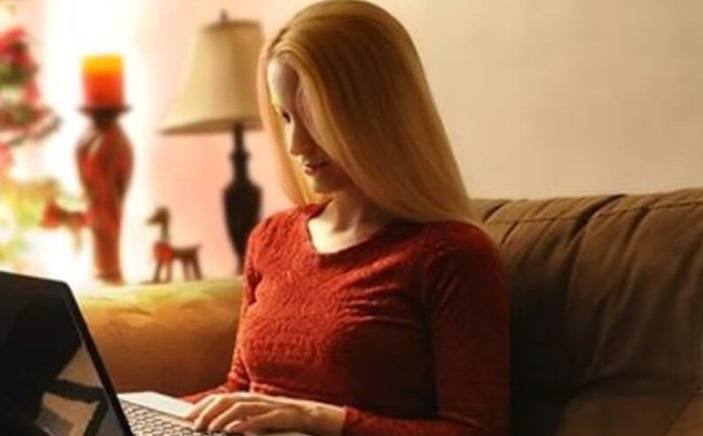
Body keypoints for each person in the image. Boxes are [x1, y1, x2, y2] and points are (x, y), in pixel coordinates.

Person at [181, 1, 509, 435]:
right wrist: (128, 410)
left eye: (313, 116)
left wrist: (320, 419)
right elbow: (238, 389)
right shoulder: (272, 237)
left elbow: (475, 430)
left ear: (373, 112)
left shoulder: (450, 255)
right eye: (285, 117)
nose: (296, 144)